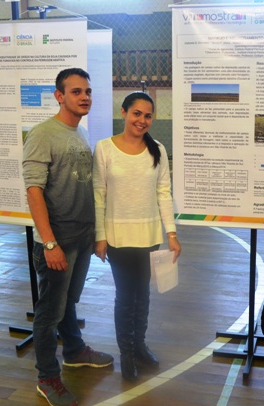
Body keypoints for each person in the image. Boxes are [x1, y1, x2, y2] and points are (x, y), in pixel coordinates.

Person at [22, 68, 113, 406]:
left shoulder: (80, 132)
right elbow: (34, 191)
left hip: (81, 237)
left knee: (67, 303)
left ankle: (74, 351)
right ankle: (47, 377)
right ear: (59, 96)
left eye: (87, 91)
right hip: (56, 242)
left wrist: (94, 235)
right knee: (49, 313)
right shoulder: (43, 134)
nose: (84, 97)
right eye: (76, 91)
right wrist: (49, 243)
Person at [93, 91, 181, 382]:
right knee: (125, 297)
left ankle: (140, 346)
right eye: (137, 113)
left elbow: (163, 193)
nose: (142, 120)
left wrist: (171, 233)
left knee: (142, 294)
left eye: (148, 116)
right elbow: (98, 195)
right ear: (124, 112)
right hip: (117, 238)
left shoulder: (158, 150)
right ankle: (127, 354)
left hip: (148, 236)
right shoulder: (104, 149)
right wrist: (100, 236)